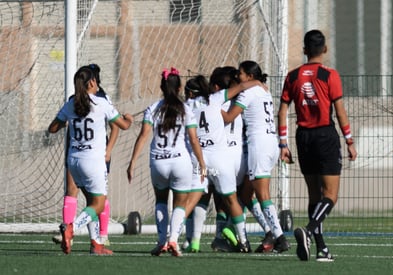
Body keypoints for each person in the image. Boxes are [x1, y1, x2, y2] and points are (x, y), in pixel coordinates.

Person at [277, 29, 357, 262]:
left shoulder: (292, 76)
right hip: (324, 136)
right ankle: (310, 231)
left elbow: (282, 111)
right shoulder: (329, 75)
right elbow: (340, 112)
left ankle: (321, 249)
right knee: (330, 195)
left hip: (303, 137)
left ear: (304, 50)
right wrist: (350, 141)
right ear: (325, 49)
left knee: (314, 195)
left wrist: (283, 143)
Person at [48, 65, 133, 255]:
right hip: (93, 161)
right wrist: (128, 118)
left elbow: (52, 128)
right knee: (99, 204)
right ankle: (71, 228)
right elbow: (124, 126)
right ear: (92, 82)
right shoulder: (101, 103)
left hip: (74, 160)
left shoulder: (71, 104)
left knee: (90, 202)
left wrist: (63, 121)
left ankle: (96, 245)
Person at [127, 67, 206, 257]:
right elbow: (194, 140)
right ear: (179, 88)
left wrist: (132, 162)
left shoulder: (153, 109)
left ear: (162, 87)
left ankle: (162, 241)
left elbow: (144, 135)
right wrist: (202, 163)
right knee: (180, 204)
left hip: (158, 162)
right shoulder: (186, 109)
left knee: (161, 200)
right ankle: (173, 240)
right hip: (181, 163)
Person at [184, 73, 263, 253]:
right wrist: (257, 81)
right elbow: (241, 87)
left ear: (190, 93)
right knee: (231, 199)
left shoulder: (187, 106)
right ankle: (243, 241)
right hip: (221, 158)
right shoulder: (216, 98)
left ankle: (193, 242)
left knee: (200, 198)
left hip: (200, 159)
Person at [221, 60, 290, 254]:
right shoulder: (263, 90)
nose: (238, 77)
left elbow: (228, 117)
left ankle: (280, 237)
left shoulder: (248, 92)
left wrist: (209, 105)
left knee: (263, 195)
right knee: (245, 194)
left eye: (241, 74)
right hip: (270, 143)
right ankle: (270, 232)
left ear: (250, 77)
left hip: (259, 145)